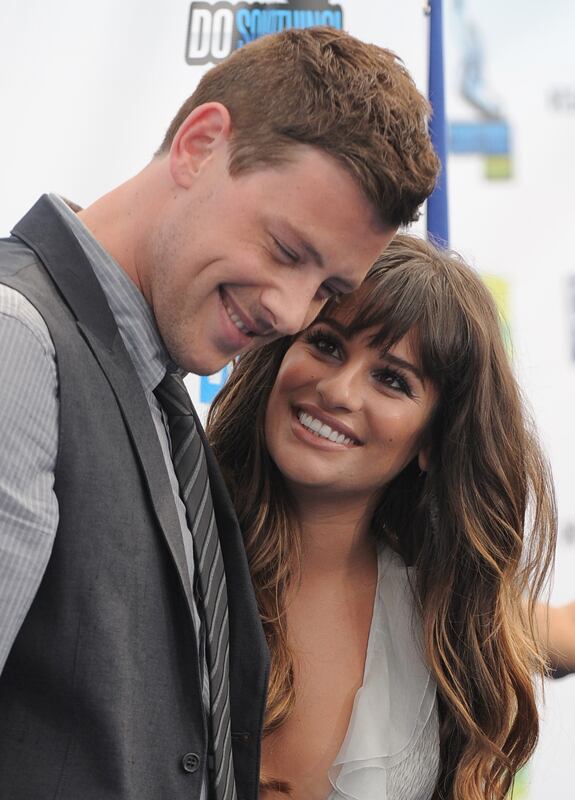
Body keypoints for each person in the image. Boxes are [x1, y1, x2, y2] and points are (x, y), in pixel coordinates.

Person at [0, 27, 439, 800]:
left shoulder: (157, 394)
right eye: (286, 250)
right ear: (200, 144)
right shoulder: (19, 342)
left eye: (327, 289)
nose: (290, 311)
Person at [207, 234, 557, 800]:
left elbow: (541, 630)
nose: (337, 390)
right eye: (326, 344)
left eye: (392, 379)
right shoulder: (172, 538)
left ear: (433, 441)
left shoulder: (444, 620)